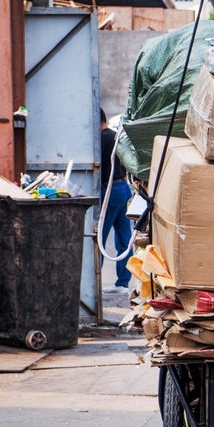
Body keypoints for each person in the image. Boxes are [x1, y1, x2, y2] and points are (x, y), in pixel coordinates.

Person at [99, 109, 133, 293]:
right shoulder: (116, 136)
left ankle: (94, 283)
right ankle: (123, 283)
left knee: (100, 238)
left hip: (109, 190)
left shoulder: (101, 139)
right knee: (124, 238)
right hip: (123, 188)